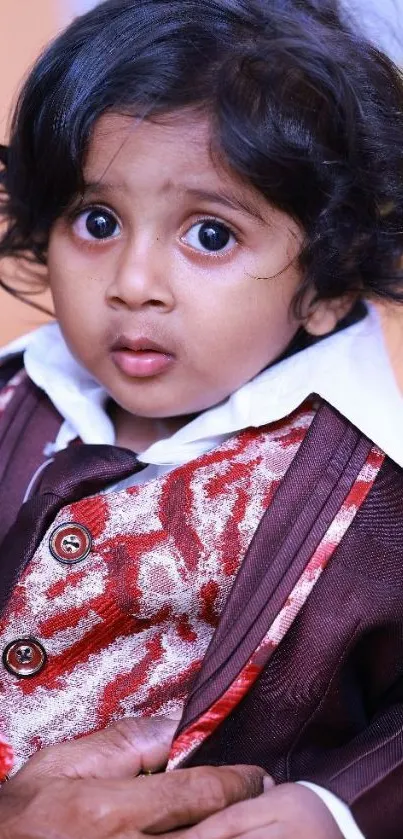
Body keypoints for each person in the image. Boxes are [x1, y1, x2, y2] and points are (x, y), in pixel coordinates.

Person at [0, 0, 402, 836]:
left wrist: (337, 807)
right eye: (97, 221)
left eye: (210, 234)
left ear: (328, 284)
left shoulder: (374, 492)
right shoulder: (11, 400)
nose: (134, 280)